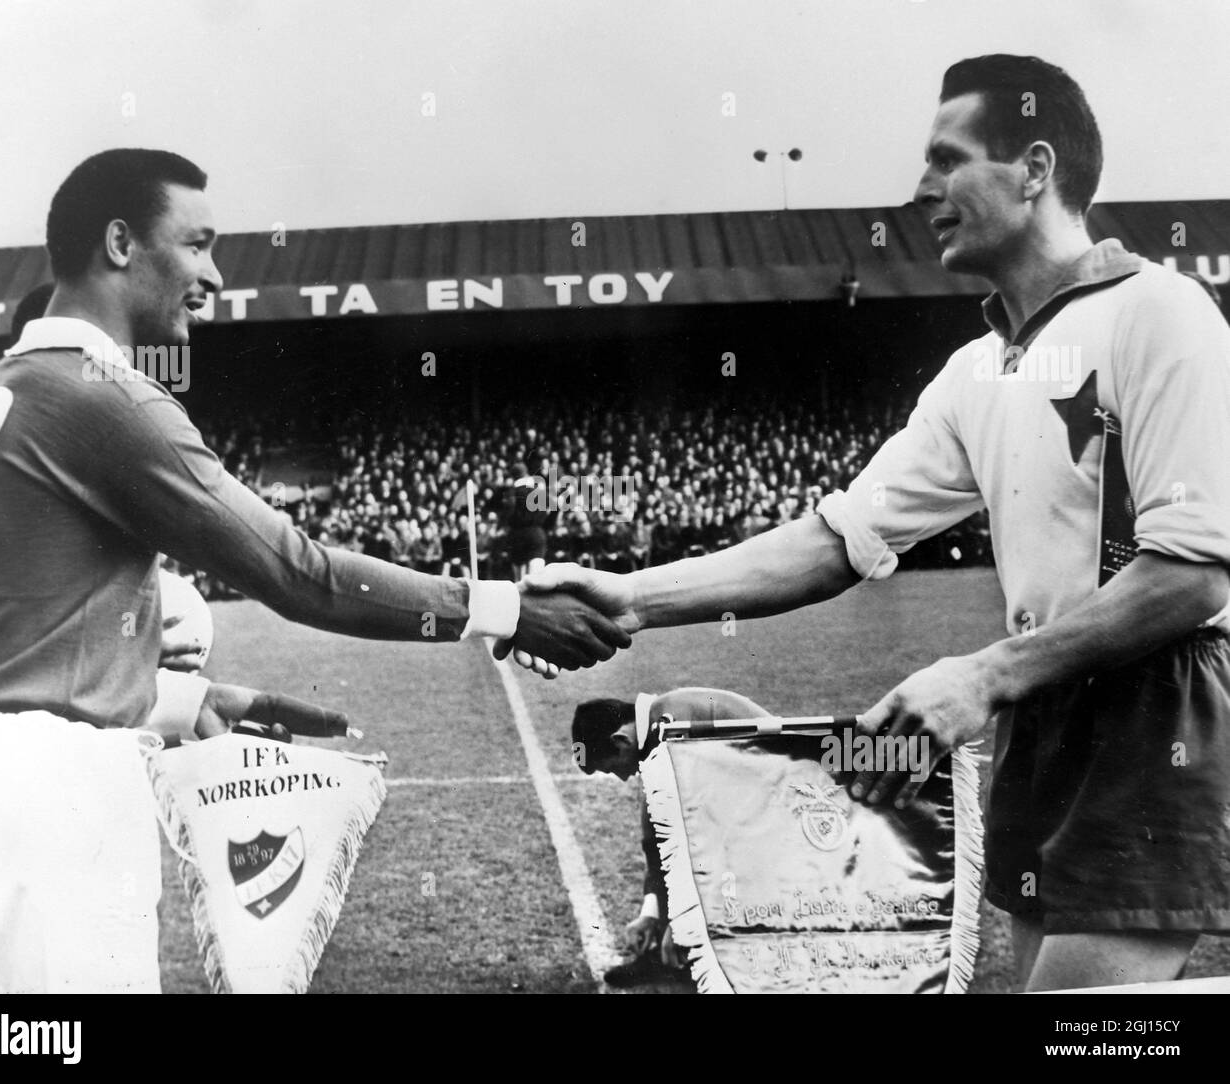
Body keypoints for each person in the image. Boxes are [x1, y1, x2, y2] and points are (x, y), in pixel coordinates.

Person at [517, 55, 1230, 992]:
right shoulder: (978, 369)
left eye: (948, 158)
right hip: (1040, 713)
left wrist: (982, 675)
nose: (922, 188)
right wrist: (633, 596)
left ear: (1035, 169)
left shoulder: (1161, 313)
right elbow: (835, 540)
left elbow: (1196, 571)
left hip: (1150, 707)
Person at [0, 148, 629, 994]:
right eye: (197, 245)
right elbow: (301, 574)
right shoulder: (99, 395)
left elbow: (20, 640)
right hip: (55, 809)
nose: (215, 275)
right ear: (120, 242)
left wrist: (189, 699)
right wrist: (506, 609)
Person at [572, 686, 771, 988]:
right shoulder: (654, 727)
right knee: (655, 821)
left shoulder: (671, 731)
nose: (623, 777)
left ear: (621, 741)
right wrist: (651, 912)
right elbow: (656, 839)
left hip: (778, 810)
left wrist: (683, 922)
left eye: (614, 770)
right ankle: (677, 951)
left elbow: (706, 836)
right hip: (752, 803)